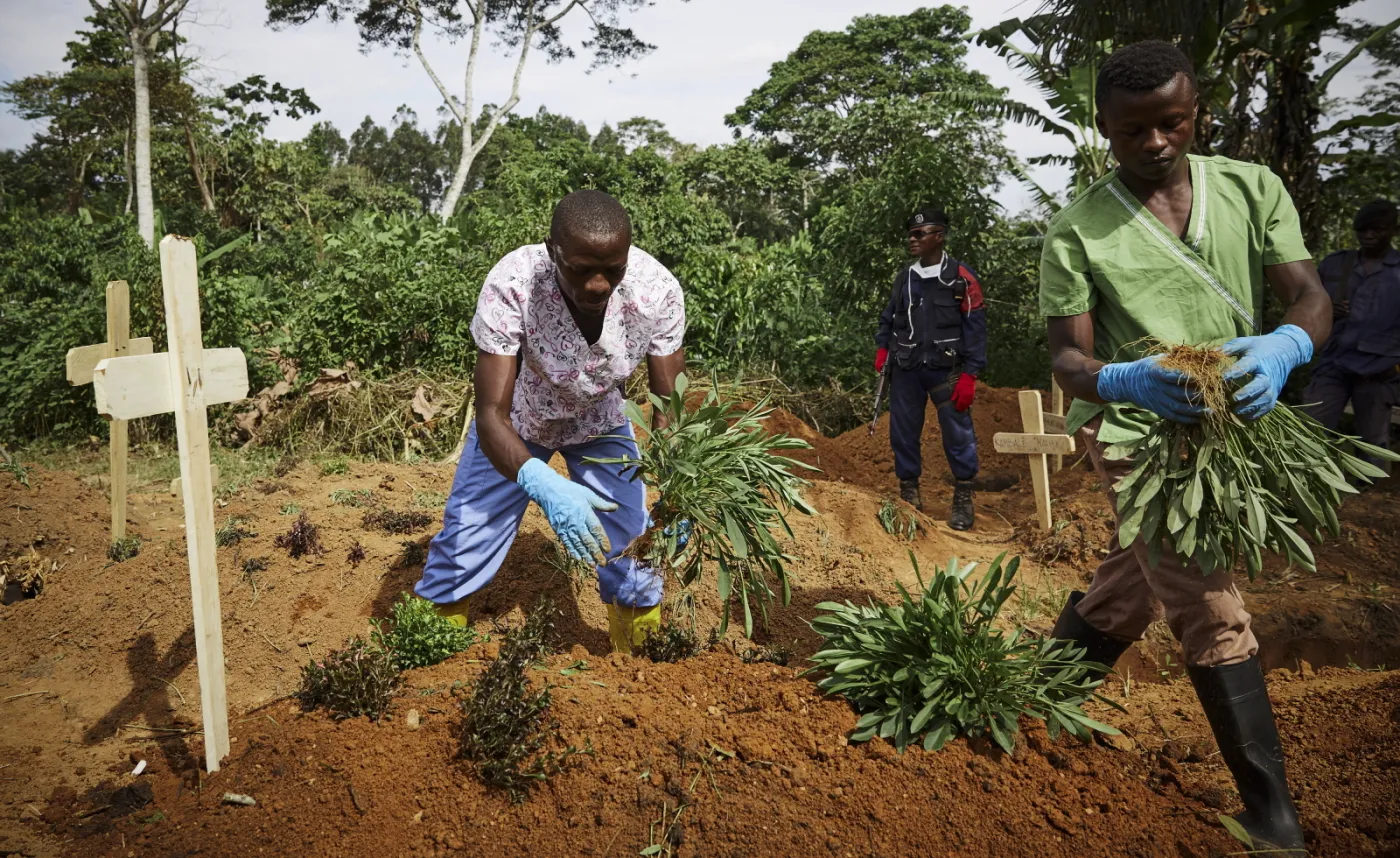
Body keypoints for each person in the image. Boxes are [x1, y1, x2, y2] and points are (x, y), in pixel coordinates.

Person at [1038, 41, 1331, 854]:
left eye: (1172, 123)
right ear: (1104, 129)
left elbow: (1308, 296)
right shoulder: (1077, 231)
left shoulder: (1250, 188)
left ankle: (1033, 706)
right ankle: (1272, 814)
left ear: (1195, 112)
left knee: (1131, 583)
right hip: (1136, 428)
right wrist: (1126, 379)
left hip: (1231, 419)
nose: (1157, 143)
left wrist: (1283, 349)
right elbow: (1068, 360)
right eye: (1134, 131)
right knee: (1207, 598)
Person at [414, 190, 686, 653]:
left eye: (613, 269)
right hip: (518, 422)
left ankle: (640, 664)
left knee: (634, 548)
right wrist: (540, 481)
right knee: (464, 543)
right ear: (552, 251)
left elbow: (669, 407)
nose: (600, 284)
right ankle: (422, 652)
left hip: (601, 422)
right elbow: (489, 414)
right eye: (582, 269)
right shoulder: (514, 283)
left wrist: (681, 487)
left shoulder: (656, 291)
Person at [873, 206, 987, 531]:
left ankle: (963, 495)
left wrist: (970, 374)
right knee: (903, 434)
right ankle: (910, 496)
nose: (912, 238)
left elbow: (975, 327)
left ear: (939, 236)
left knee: (958, 435)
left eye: (920, 233)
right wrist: (883, 348)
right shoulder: (904, 278)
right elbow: (889, 317)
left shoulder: (961, 277)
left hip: (946, 371)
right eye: (910, 233)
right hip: (907, 369)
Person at [1302, 199, 1400, 468]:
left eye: (1377, 230)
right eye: (1363, 230)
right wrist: (1327, 309)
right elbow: (1307, 302)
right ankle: (1306, 482)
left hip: (1379, 369)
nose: (1368, 236)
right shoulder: (1336, 265)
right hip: (1334, 362)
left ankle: (1372, 498)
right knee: (1310, 427)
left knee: (1374, 441)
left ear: (1393, 230)